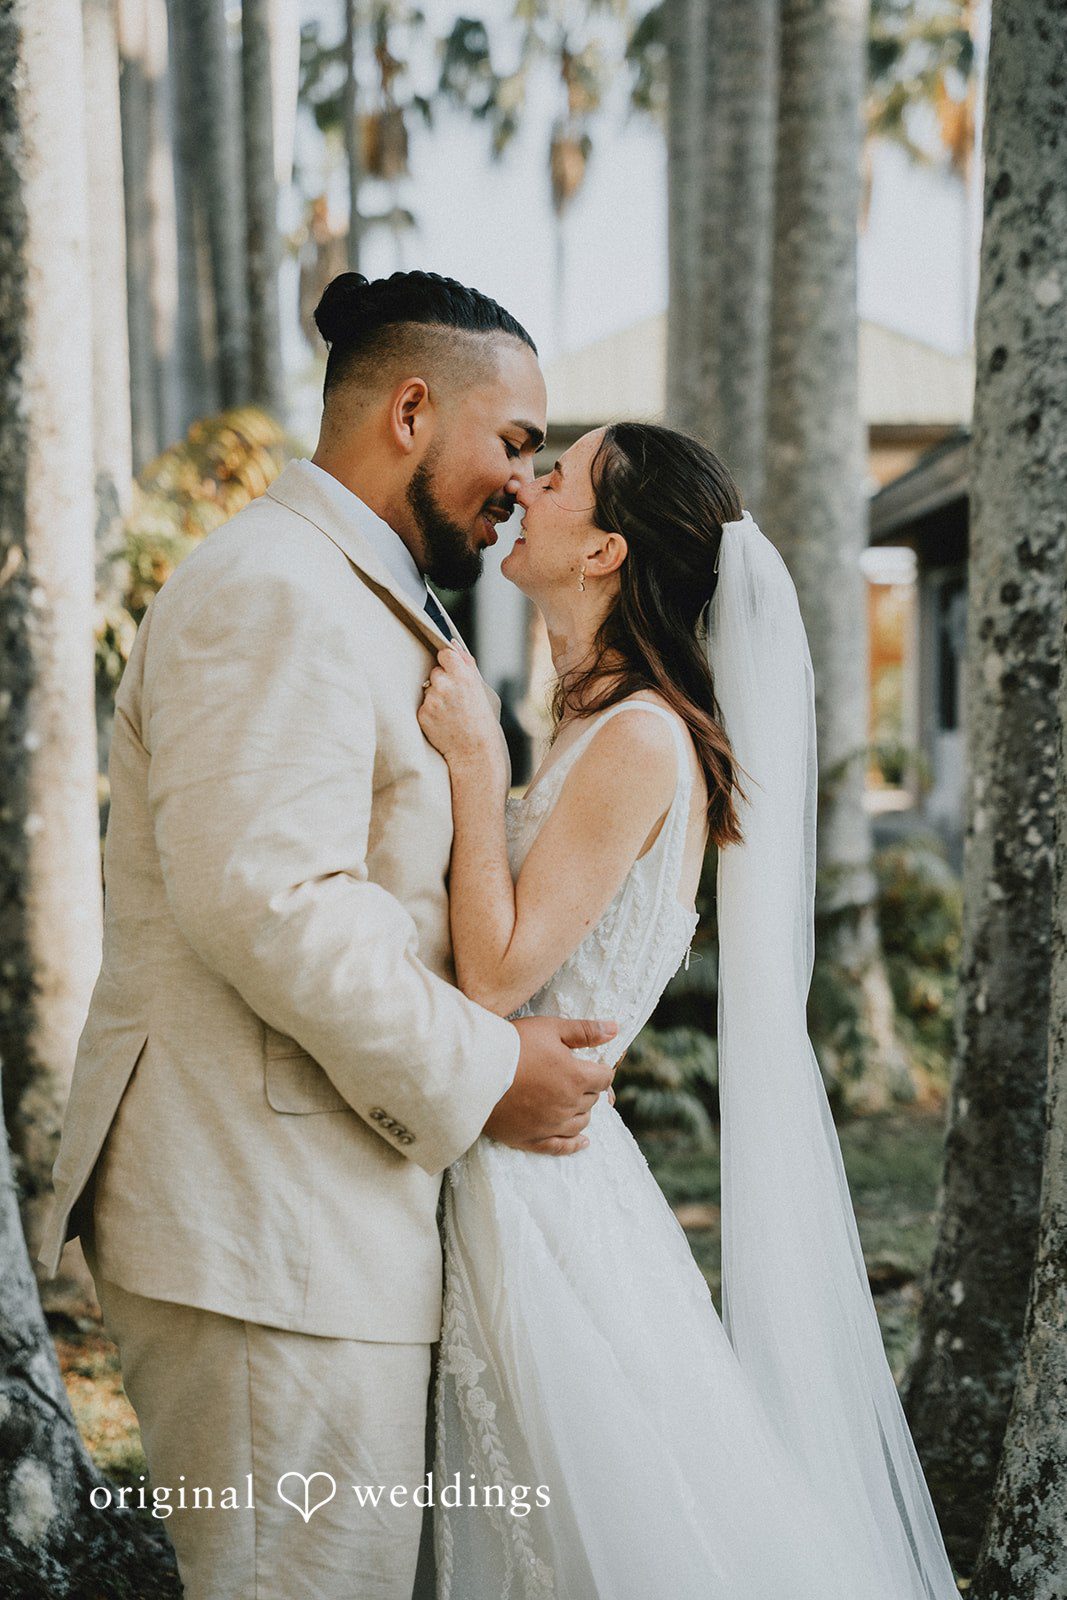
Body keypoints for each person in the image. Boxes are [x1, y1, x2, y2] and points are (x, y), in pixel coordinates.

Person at [39, 271, 618, 1600]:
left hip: (312, 1227)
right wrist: (490, 1074)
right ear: (410, 410)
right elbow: (268, 899)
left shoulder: (357, 587)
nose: (524, 485)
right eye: (514, 442)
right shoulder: (276, 591)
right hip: (259, 1239)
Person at [418, 421, 963, 1598]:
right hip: (513, 1146)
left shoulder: (640, 739)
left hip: (539, 1181)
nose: (525, 483)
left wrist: (472, 766)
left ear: (605, 549)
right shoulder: (587, 719)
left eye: (554, 476)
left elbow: (498, 975)